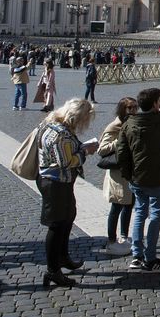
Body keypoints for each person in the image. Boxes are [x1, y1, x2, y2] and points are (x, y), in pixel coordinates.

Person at [116, 88, 160, 273]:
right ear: (156, 104)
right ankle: (150, 258)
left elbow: (121, 152)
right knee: (155, 215)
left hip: (137, 178)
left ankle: (136, 255)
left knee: (140, 212)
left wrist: (128, 174)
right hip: (157, 177)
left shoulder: (129, 122)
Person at [37, 98, 98, 287]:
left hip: (61, 181)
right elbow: (66, 162)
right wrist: (85, 151)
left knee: (69, 216)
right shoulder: (60, 134)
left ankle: (63, 257)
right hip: (55, 182)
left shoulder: (54, 123)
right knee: (57, 224)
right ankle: (53, 270)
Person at [98, 97, 138, 256]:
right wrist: (119, 140)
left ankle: (124, 236)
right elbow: (102, 149)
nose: (134, 110)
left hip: (130, 173)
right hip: (117, 175)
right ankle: (111, 239)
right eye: (130, 108)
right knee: (116, 207)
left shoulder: (133, 123)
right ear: (123, 109)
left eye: (135, 107)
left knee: (129, 205)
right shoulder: (114, 126)